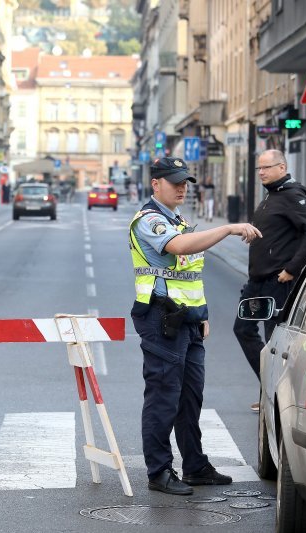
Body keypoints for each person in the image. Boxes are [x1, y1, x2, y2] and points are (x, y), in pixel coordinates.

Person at [130, 156, 262, 496]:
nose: (182, 187)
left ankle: (195, 466)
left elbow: (189, 275)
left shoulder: (179, 221)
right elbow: (179, 248)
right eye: (174, 182)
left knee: (190, 398)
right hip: (161, 320)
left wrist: (201, 315)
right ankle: (158, 471)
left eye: (184, 181)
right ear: (155, 184)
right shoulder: (149, 221)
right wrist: (228, 227)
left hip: (186, 321)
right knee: (164, 398)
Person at [233, 149, 306, 411]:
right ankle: (269, 388)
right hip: (257, 281)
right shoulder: (272, 195)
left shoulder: (292, 196)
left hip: (277, 282)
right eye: (259, 168)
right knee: (243, 329)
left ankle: (275, 397)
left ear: (282, 167)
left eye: (266, 168)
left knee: (274, 341)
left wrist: (292, 270)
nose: (261, 172)